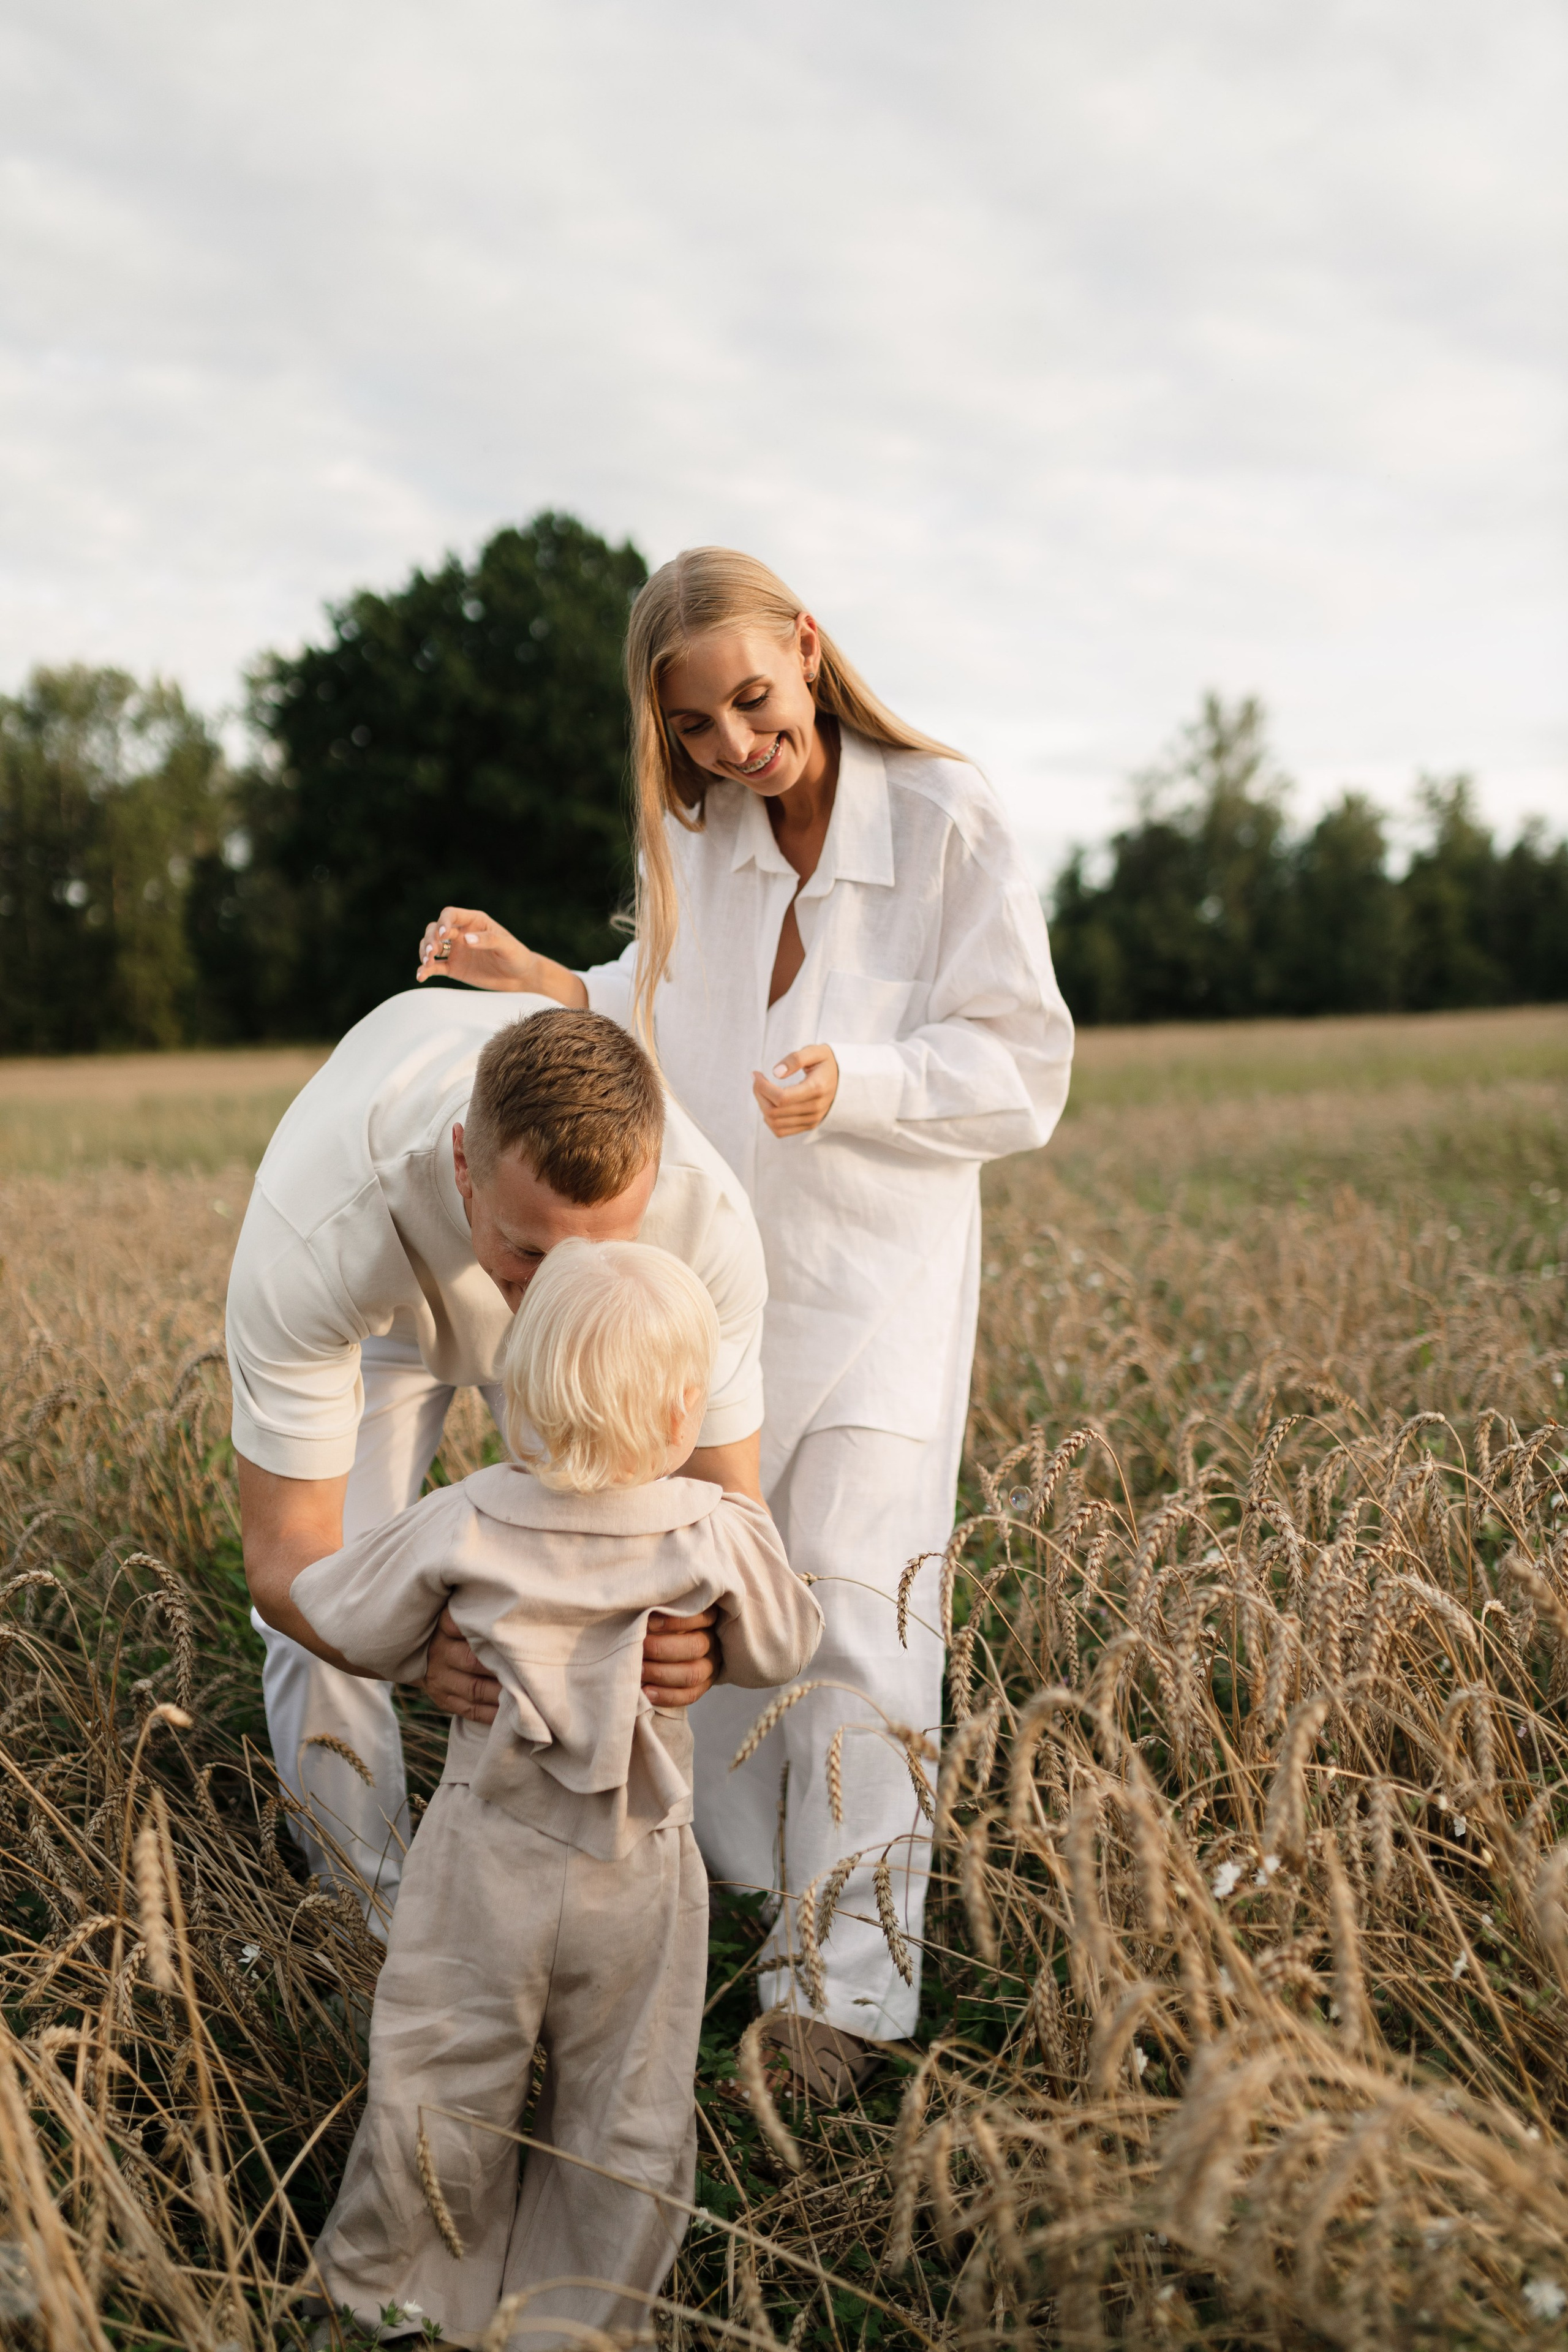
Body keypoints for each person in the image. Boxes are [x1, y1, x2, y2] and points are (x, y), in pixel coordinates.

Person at [414, 546, 1073, 2097]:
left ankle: (840, 2002)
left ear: (807, 648)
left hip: (877, 1285)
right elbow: (659, 999)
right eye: (691, 726)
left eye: (749, 703)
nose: (727, 746)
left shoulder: (946, 816)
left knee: (852, 1618)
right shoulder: (698, 832)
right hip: (709, 1282)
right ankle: (742, 1910)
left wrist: (867, 1081)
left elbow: (1022, 1063)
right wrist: (545, 981)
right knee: (699, 1598)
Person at [268, 1237, 822, 2346]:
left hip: (486, 1858)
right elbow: (787, 1642)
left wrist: (429, 1651)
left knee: (440, 2074)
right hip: (640, 1872)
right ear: (679, 1414)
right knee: (628, 2102)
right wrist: (713, 1635)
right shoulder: (712, 1528)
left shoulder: (464, 1515)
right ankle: (579, 2320)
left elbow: (333, 1609)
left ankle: (389, 2291)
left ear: (519, 1393)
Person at [226, 992, 766, 1923]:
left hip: (615, 1333)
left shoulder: (703, 1219)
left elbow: (726, 1510)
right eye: (529, 1252)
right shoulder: (316, 1229)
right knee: (326, 1620)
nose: (560, 1291)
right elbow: (286, 1561)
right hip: (384, 1317)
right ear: (464, 1163)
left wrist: (712, 1636)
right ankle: (372, 1923)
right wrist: (408, 1646)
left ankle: (601, 1892)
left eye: (603, 1245)